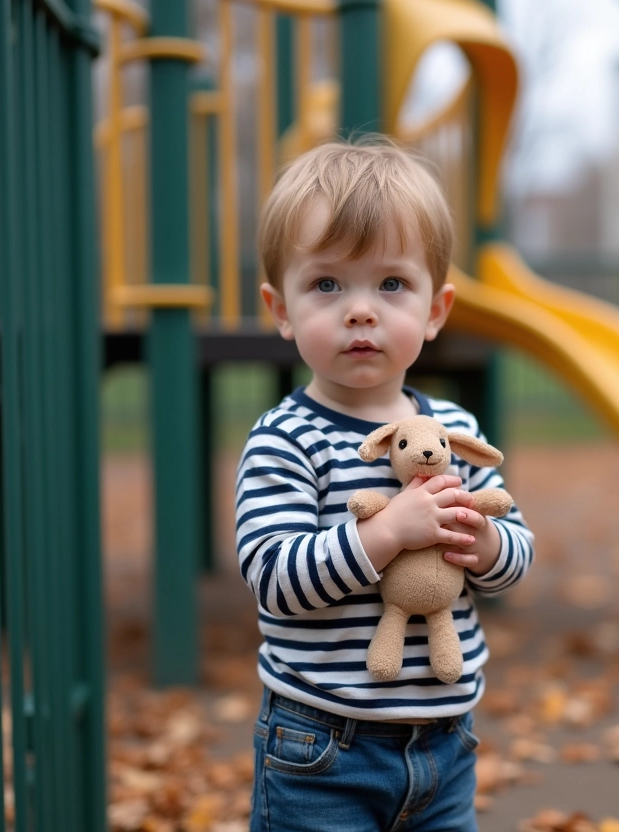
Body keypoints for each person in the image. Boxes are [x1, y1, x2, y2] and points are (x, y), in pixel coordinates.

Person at [236, 138, 535, 832]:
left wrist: (485, 544)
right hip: (321, 746)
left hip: (446, 743)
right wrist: (386, 534)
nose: (361, 311)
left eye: (392, 284)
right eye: (327, 285)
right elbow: (274, 579)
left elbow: (516, 554)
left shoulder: (454, 430)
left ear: (436, 310)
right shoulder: (286, 439)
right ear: (281, 309)